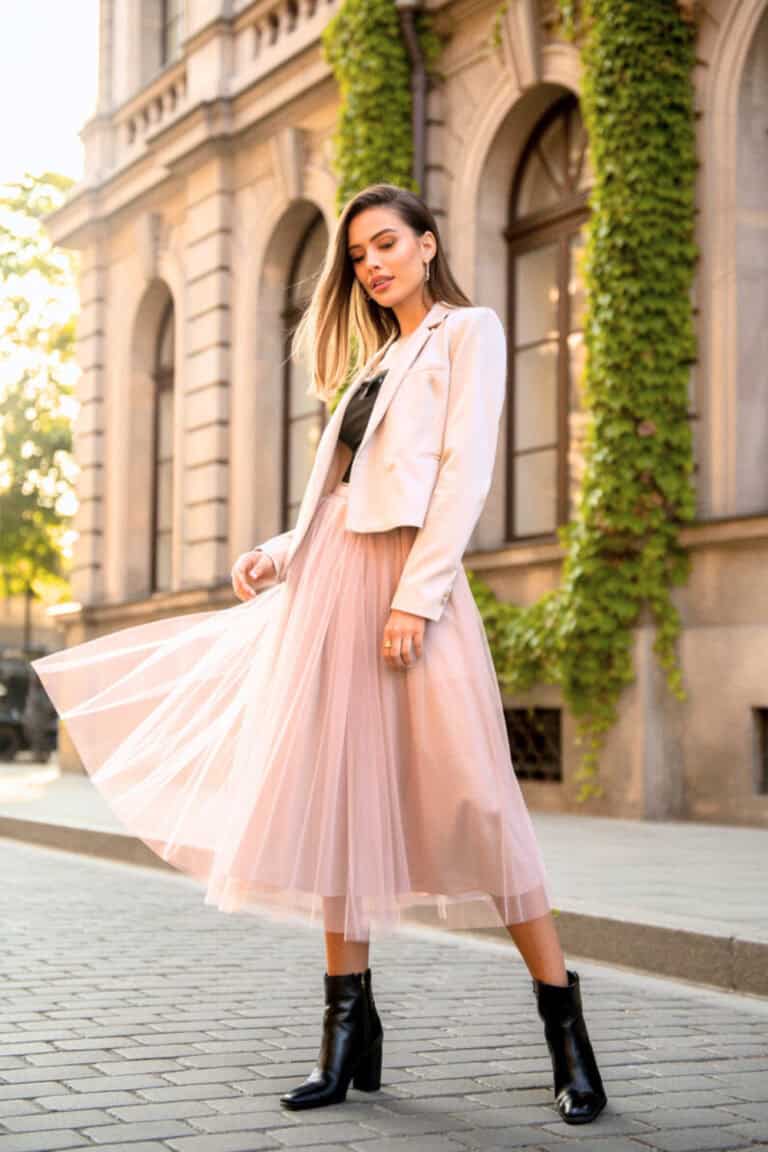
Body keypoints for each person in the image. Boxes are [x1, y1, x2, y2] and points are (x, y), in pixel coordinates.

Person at [31, 182, 606, 1125]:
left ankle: (564, 1029)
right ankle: (346, 1035)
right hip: (332, 590)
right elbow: (339, 499)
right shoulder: (369, 365)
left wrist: (416, 602)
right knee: (339, 802)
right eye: (359, 255)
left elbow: (462, 473)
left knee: (478, 797)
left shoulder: (470, 332)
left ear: (427, 244)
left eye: (387, 244)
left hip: (409, 591)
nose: (373, 264)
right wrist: (280, 550)